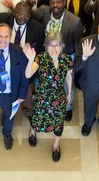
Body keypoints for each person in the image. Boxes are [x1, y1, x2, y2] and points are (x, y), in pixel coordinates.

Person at [24, 33, 73, 161]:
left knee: (58, 123)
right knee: (37, 118)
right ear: (46, 47)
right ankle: (32, 131)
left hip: (58, 98)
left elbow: (69, 76)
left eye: (57, 45)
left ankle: (56, 145)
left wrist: (69, 93)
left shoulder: (66, 59)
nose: (54, 49)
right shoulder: (41, 58)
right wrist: (30, 60)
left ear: (61, 46)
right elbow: (28, 74)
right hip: (42, 97)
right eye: (51, 45)